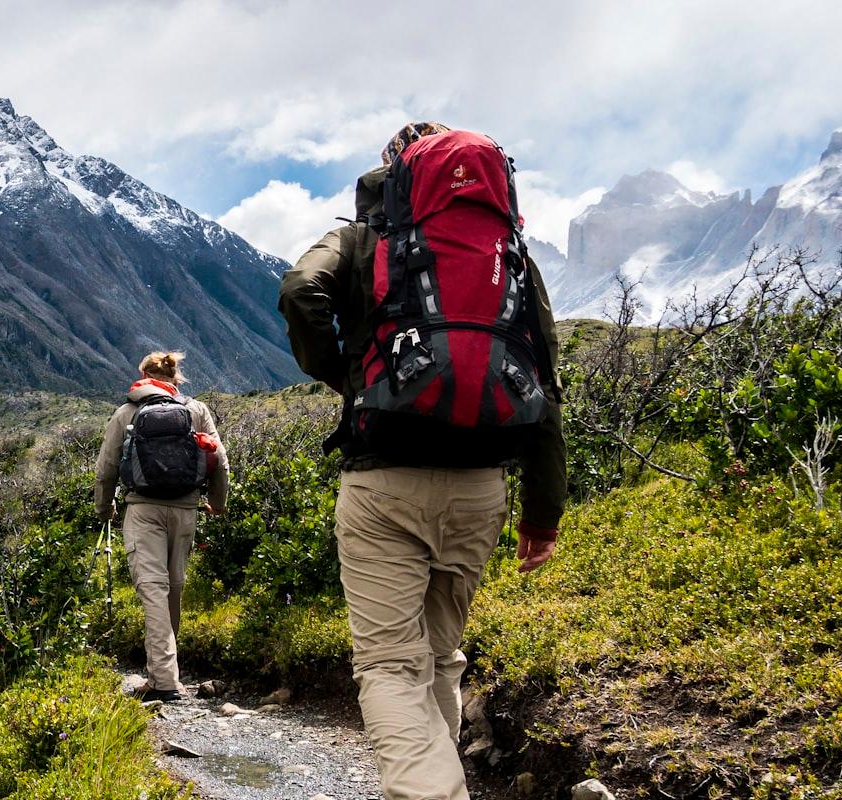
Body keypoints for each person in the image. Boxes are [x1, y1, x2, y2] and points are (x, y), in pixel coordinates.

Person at [278, 122, 566, 800]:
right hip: (482, 488)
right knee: (441, 656)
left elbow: (299, 291)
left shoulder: (360, 240)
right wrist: (544, 512)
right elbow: (544, 379)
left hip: (385, 480)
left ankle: (433, 793)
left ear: (395, 173)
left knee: (387, 667)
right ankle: (434, 782)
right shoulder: (510, 254)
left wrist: (344, 377)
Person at [93, 351, 228, 703]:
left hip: (143, 510)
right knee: (173, 588)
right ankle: (167, 671)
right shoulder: (196, 410)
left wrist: (104, 507)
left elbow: (106, 467)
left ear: (142, 375)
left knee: (152, 588)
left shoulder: (126, 412)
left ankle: (165, 680)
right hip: (186, 510)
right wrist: (217, 503)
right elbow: (220, 461)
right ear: (175, 377)